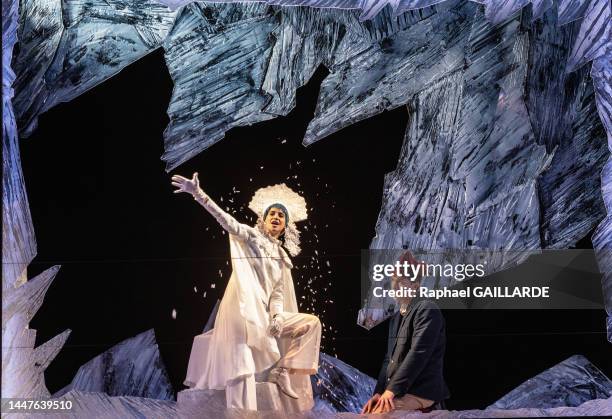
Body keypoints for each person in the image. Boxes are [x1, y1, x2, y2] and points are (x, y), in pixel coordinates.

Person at [172, 173, 321, 411]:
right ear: (262, 219)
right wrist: (198, 194)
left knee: (311, 324)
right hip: (243, 311)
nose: (276, 217)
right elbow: (226, 220)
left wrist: (277, 317)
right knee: (242, 367)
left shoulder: (282, 257)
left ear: (284, 226)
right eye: (272, 213)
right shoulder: (251, 236)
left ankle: (283, 369)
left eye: (281, 215)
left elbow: (277, 294)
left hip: (265, 316)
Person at [361, 251, 450, 414]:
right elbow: (389, 360)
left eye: (400, 281)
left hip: (421, 391)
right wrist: (379, 392)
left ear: (415, 286)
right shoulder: (396, 317)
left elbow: (418, 353)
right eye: (393, 280)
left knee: (379, 415)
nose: (394, 285)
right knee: (369, 411)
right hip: (400, 391)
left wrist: (392, 390)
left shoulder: (427, 309)